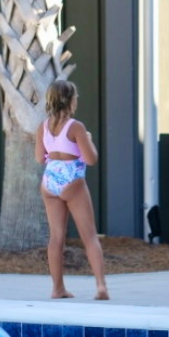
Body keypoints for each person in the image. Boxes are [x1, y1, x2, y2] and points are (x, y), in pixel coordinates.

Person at [35, 79, 109, 301]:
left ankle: (57, 289)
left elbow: (40, 158)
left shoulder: (43, 126)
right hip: (72, 180)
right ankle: (101, 287)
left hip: (50, 181)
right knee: (89, 236)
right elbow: (91, 159)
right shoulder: (76, 127)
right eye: (75, 97)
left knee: (56, 237)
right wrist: (88, 140)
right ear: (70, 101)